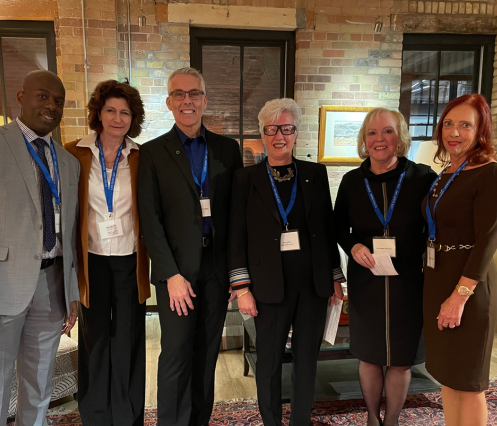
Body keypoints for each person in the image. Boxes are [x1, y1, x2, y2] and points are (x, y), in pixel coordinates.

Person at [229, 98, 345, 426]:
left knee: (307, 362)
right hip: (267, 289)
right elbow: (236, 238)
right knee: (268, 363)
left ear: (296, 133)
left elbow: (325, 230)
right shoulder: (245, 179)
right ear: (262, 134)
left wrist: (335, 276)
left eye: (286, 128)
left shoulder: (315, 174)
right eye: (271, 129)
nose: (279, 135)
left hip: (312, 287)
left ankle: (300, 422)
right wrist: (242, 288)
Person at [138, 67, 243, 426]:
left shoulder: (228, 150)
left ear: (204, 100)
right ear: (169, 102)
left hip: (216, 271)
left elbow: (234, 215)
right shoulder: (152, 153)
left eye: (194, 93)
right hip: (177, 274)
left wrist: (235, 272)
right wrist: (170, 275)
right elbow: (150, 220)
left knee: (206, 356)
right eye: (180, 94)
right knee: (176, 356)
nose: (187, 100)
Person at [334, 108, 437, 426]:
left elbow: (436, 227)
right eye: (372, 133)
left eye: (388, 131)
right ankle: (372, 417)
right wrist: (354, 246)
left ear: (401, 136)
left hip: (408, 283)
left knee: (401, 361)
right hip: (366, 283)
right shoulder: (352, 182)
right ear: (364, 140)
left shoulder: (423, 178)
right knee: (370, 357)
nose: (380, 139)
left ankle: (390, 420)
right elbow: (337, 227)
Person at [65, 80, 150, 426]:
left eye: (125, 112)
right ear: (98, 113)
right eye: (111, 110)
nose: (118, 118)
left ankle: (127, 415)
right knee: (94, 340)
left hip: (130, 261)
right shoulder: (74, 153)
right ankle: (96, 415)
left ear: (134, 118)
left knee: (128, 339)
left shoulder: (142, 157)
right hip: (92, 260)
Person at [0, 70, 79, 425]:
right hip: (5, 281)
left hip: (52, 284)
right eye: (43, 96)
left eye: (58, 101)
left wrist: (72, 291)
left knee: (39, 380)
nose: (51, 106)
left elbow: (72, 232)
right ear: (21, 97)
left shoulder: (69, 162)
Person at [422, 94, 497, 426]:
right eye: (448, 124)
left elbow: (487, 240)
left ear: (480, 129)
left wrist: (459, 296)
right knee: (447, 377)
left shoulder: (489, 173)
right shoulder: (446, 173)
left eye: (465, 125)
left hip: (468, 287)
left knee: (468, 383)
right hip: (438, 278)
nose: (454, 132)